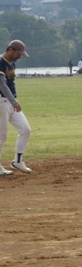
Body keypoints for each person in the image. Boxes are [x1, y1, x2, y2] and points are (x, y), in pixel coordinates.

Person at [0, 40, 32, 174]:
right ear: (11, 50)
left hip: (10, 102)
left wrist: (13, 101)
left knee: (25, 130)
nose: (20, 57)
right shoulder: (0, 62)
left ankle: (17, 162)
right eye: (19, 54)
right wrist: (14, 101)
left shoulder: (11, 63)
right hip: (1, 101)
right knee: (1, 136)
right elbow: (1, 85)